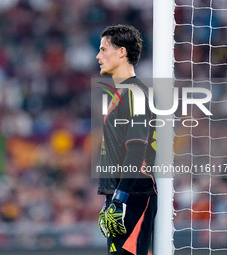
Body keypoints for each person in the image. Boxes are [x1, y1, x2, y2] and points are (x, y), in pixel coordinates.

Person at [96, 24, 157, 255]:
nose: (98, 56)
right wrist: (110, 198)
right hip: (123, 194)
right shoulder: (121, 93)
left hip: (134, 194)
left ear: (122, 52)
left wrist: (120, 199)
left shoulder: (135, 93)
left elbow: (136, 149)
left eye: (103, 50)